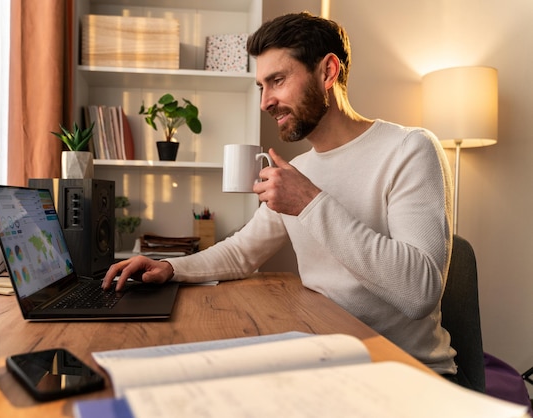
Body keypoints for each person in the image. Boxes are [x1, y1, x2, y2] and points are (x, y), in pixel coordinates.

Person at [102, 12, 456, 378]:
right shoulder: (299, 170)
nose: (265, 102)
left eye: (278, 81)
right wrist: (171, 267)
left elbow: (418, 292)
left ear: (328, 72)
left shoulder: (410, 149)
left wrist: (310, 201)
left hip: (406, 371)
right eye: (261, 87)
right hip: (325, 361)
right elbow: (243, 252)